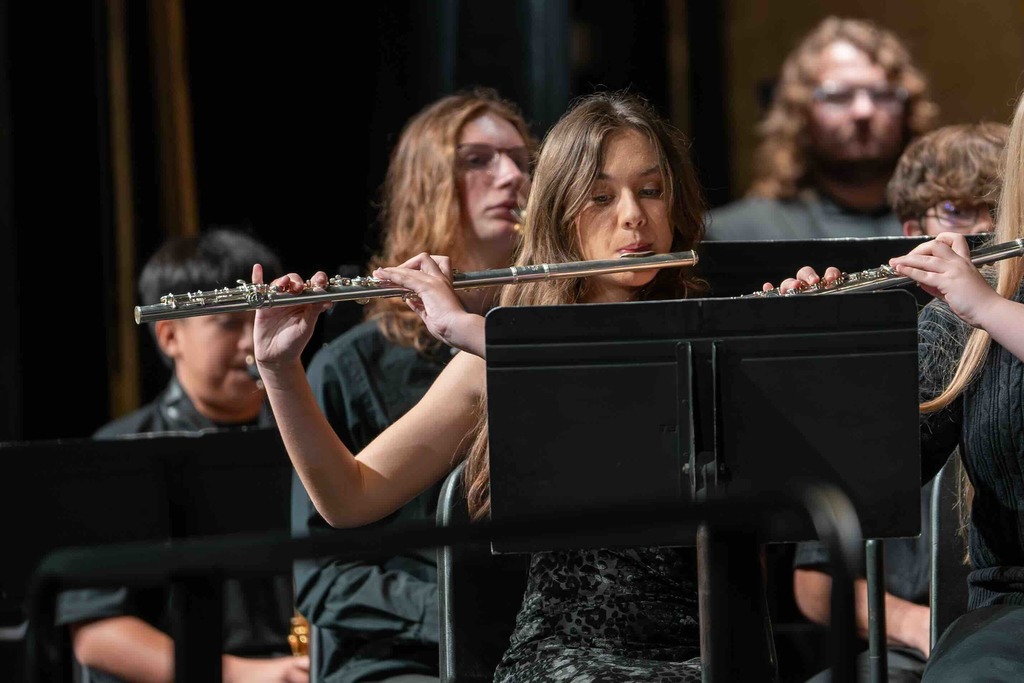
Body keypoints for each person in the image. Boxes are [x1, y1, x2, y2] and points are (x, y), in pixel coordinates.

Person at [255, 89, 708, 682]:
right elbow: (349, 498)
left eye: (651, 190)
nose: (632, 215)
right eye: (601, 196)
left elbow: (627, 379)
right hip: (573, 658)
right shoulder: (492, 358)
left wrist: (812, 320)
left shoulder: (710, 333)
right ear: (560, 214)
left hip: (712, 648)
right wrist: (280, 370)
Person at [777, 89, 1024, 681]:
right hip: (1011, 619)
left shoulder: (981, 302)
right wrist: (821, 362)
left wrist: (990, 309)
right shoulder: (965, 310)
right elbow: (859, 475)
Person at [293, 88, 535, 683]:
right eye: (478, 160)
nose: (512, 177)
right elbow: (324, 575)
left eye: (522, 160)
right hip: (404, 657)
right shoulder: (350, 367)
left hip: (540, 640)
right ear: (427, 186)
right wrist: (461, 613)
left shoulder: (546, 337)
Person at [57, 227, 310, 683]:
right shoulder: (121, 450)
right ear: (170, 335)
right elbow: (96, 633)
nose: (251, 340)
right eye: (229, 321)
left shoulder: (308, 435)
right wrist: (245, 675)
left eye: (260, 314)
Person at [707, 16, 939, 241]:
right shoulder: (735, 234)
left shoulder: (946, 223)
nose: (863, 111)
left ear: (908, 110)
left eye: (882, 95)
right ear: (800, 112)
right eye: (838, 96)